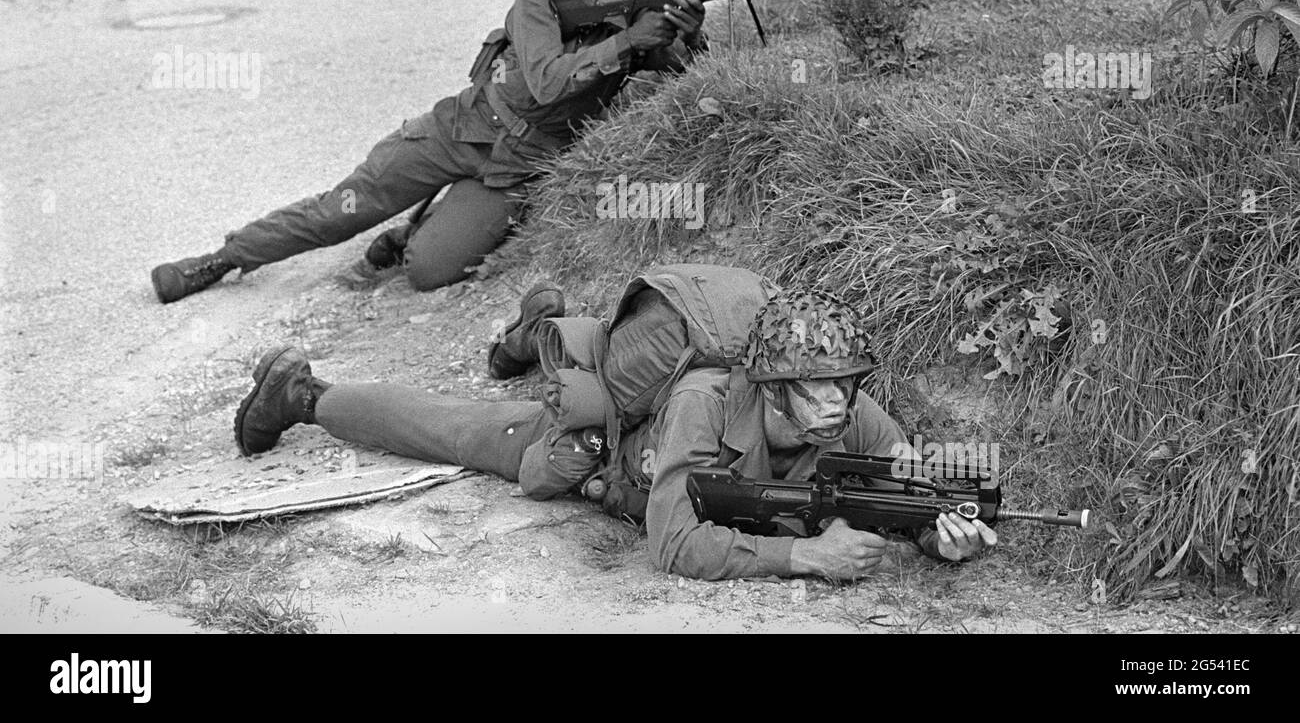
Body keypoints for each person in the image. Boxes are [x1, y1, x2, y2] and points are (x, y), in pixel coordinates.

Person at [231, 279, 996, 581]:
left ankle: (538, 326)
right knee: (459, 429)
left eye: (845, 381)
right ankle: (304, 393)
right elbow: (668, 544)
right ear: (767, 384)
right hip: (600, 453)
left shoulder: (854, 415)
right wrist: (805, 554)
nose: (836, 401)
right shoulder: (704, 402)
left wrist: (939, 531)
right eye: (814, 384)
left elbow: (908, 486)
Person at [150, 0, 708, 304]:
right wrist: (629, 41)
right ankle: (226, 258)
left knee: (428, 270)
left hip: (513, 169)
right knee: (345, 207)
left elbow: (687, 75)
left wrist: (687, 35)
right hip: (462, 130)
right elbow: (544, 82)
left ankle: (409, 234)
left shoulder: (635, 16)